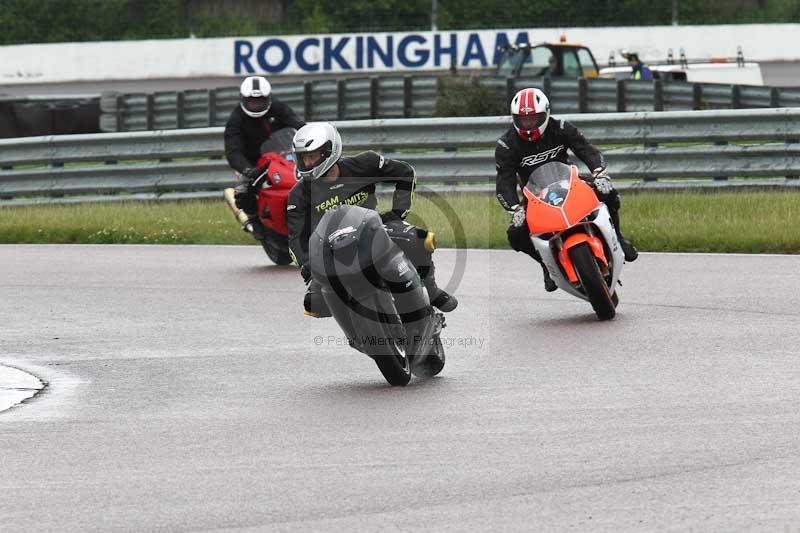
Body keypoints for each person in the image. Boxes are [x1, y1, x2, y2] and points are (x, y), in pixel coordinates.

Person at [286, 122, 458, 317]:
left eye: (312, 156)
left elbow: (405, 173)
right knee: (313, 305)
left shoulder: (365, 164)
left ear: (329, 151)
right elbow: (295, 239)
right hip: (331, 248)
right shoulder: (298, 195)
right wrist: (307, 265)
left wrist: (397, 214)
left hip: (374, 229)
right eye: (303, 157)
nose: (307, 163)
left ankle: (432, 290)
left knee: (420, 239)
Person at [495, 87, 638, 292]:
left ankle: (619, 239)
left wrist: (599, 173)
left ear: (546, 114)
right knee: (515, 234)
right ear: (514, 119)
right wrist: (515, 208)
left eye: (534, 119)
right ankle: (546, 265)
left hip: (571, 181)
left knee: (609, 193)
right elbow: (504, 182)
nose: (529, 125)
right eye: (523, 120)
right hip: (535, 195)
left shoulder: (561, 127)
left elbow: (587, 150)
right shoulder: (506, 145)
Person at [224, 75, 305, 238]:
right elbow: (233, 151)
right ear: (243, 99)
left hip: (283, 156)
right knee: (243, 190)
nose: (256, 105)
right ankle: (255, 222)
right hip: (252, 163)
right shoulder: (236, 119)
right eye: (252, 102)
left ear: (268, 98)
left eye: (260, 101)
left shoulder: (278, 108)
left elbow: (298, 125)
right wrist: (248, 170)